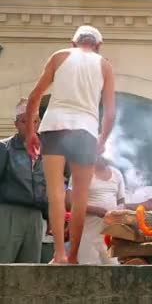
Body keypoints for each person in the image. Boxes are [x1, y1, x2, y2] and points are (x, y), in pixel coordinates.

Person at [24, 25, 116, 264]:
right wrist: (102, 140)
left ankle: (59, 254)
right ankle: (73, 256)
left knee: (55, 194)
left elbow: (34, 96)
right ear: (98, 46)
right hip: (85, 129)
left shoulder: (60, 56)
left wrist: (31, 133)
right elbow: (111, 112)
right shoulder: (104, 64)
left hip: (54, 126)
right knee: (80, 198)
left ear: (73, 43)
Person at [0, 99, 47, 263]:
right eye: (24, 121)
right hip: (9, 213)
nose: (30, 125)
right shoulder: (4, 148)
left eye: (34, 121)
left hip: (35, 217)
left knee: (31, 269)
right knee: (4, 264)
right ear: (16, 123)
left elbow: (48, 187)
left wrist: (51, 217)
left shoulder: (47, 150)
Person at [67, 156, 124, 264]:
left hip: (109, 235)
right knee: (88, 270)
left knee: (112, 270)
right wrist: (95, 210)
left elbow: (121, 200)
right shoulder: (81, 171)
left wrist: (119, 212)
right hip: (86, 234)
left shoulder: (117, 174)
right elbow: (69, 203)